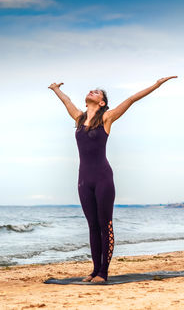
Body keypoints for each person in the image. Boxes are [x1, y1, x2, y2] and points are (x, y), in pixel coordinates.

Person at [48, 75, 177, 283]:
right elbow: (66, 101)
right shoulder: (79, 118)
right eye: (91, 90)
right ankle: (95, 269)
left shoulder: (107, 118)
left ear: (102, 103)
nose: (92, 91)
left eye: (97, 92)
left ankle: (103, 273)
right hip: (83, 180)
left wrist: (156, 84)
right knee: (92, 226)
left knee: (104, 224)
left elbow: (132, 99)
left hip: (103, 179)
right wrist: (56, 89)